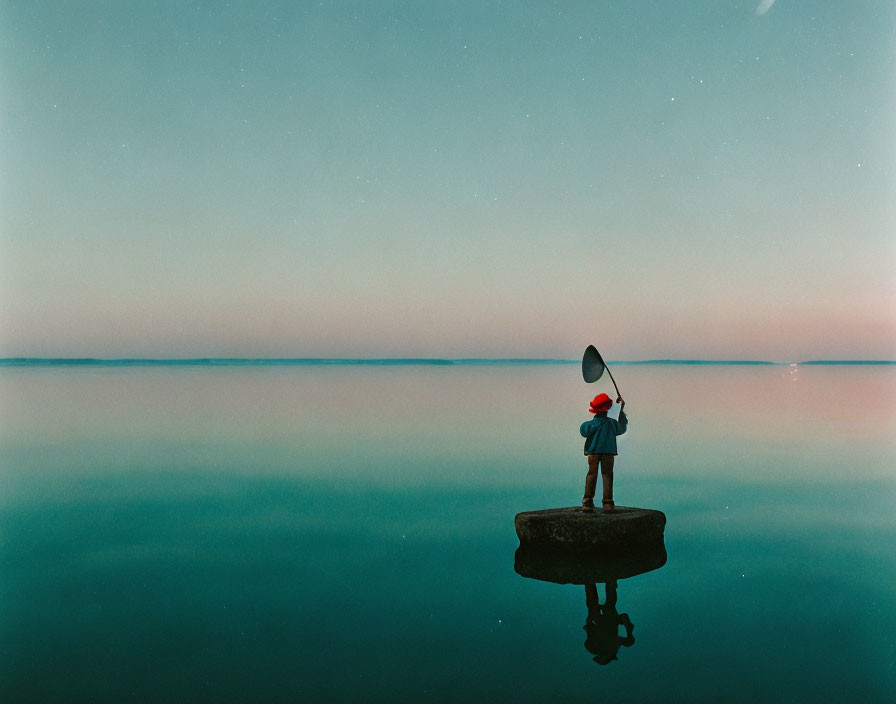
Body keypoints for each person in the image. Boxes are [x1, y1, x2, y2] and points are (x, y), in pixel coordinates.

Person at [579, 392, 627, 512]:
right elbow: (622, 427)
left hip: (593, 452)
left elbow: (583, 431)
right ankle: (608, 503)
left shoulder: (590, 425)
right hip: (608, 452)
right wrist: (621, 411)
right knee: (607, 475)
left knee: (591, 474)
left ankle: (587, 501)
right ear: (607, 409)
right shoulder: (611, 424)